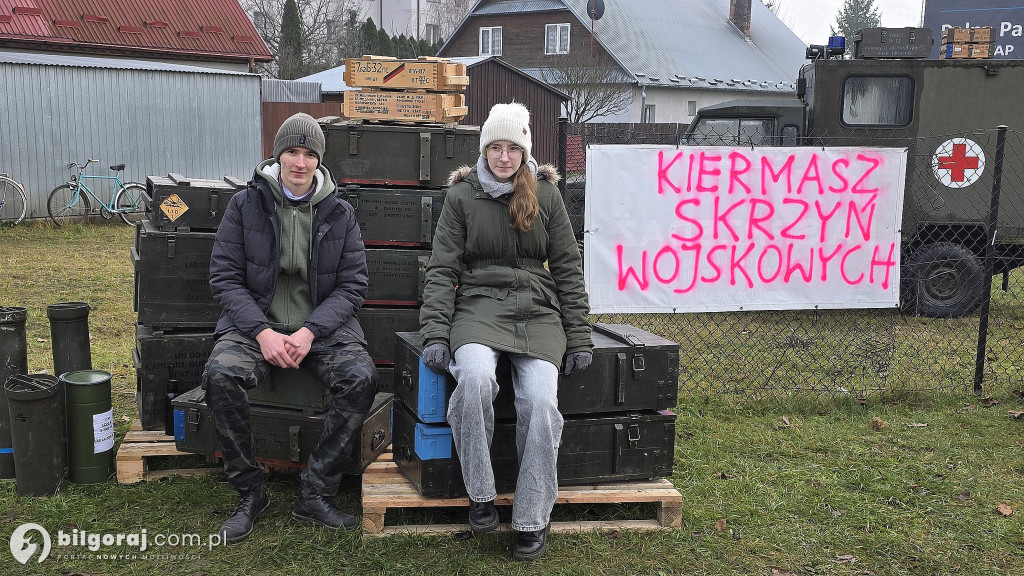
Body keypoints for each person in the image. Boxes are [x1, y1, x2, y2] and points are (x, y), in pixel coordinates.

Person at [419, 102, 593, 561]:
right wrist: (436, 332)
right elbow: (441, 270)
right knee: (473, 380)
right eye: (494, 147)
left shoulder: (547, 196)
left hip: (538, 312)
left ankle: (532, 518)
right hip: (478, 307)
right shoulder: (461, 197)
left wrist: (578, 335)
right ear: (483, 150)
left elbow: (568, 269)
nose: (502, 157)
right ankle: (481, 493)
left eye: (512, 147)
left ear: (524, 151)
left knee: (540, 401)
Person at [203, 113, 378, 544]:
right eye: (292, 152)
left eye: (309, 153)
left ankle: (315, 493)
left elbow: (354, 286)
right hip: (254, 326)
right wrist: (262, 332)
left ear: (319, 159)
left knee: (361, 378)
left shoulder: (341, 213)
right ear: (278, 154)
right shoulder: (245, 205)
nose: (300, 162)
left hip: (320, 331)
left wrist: (310, 332)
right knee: (219, 376)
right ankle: (249, 493)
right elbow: (224, 278)